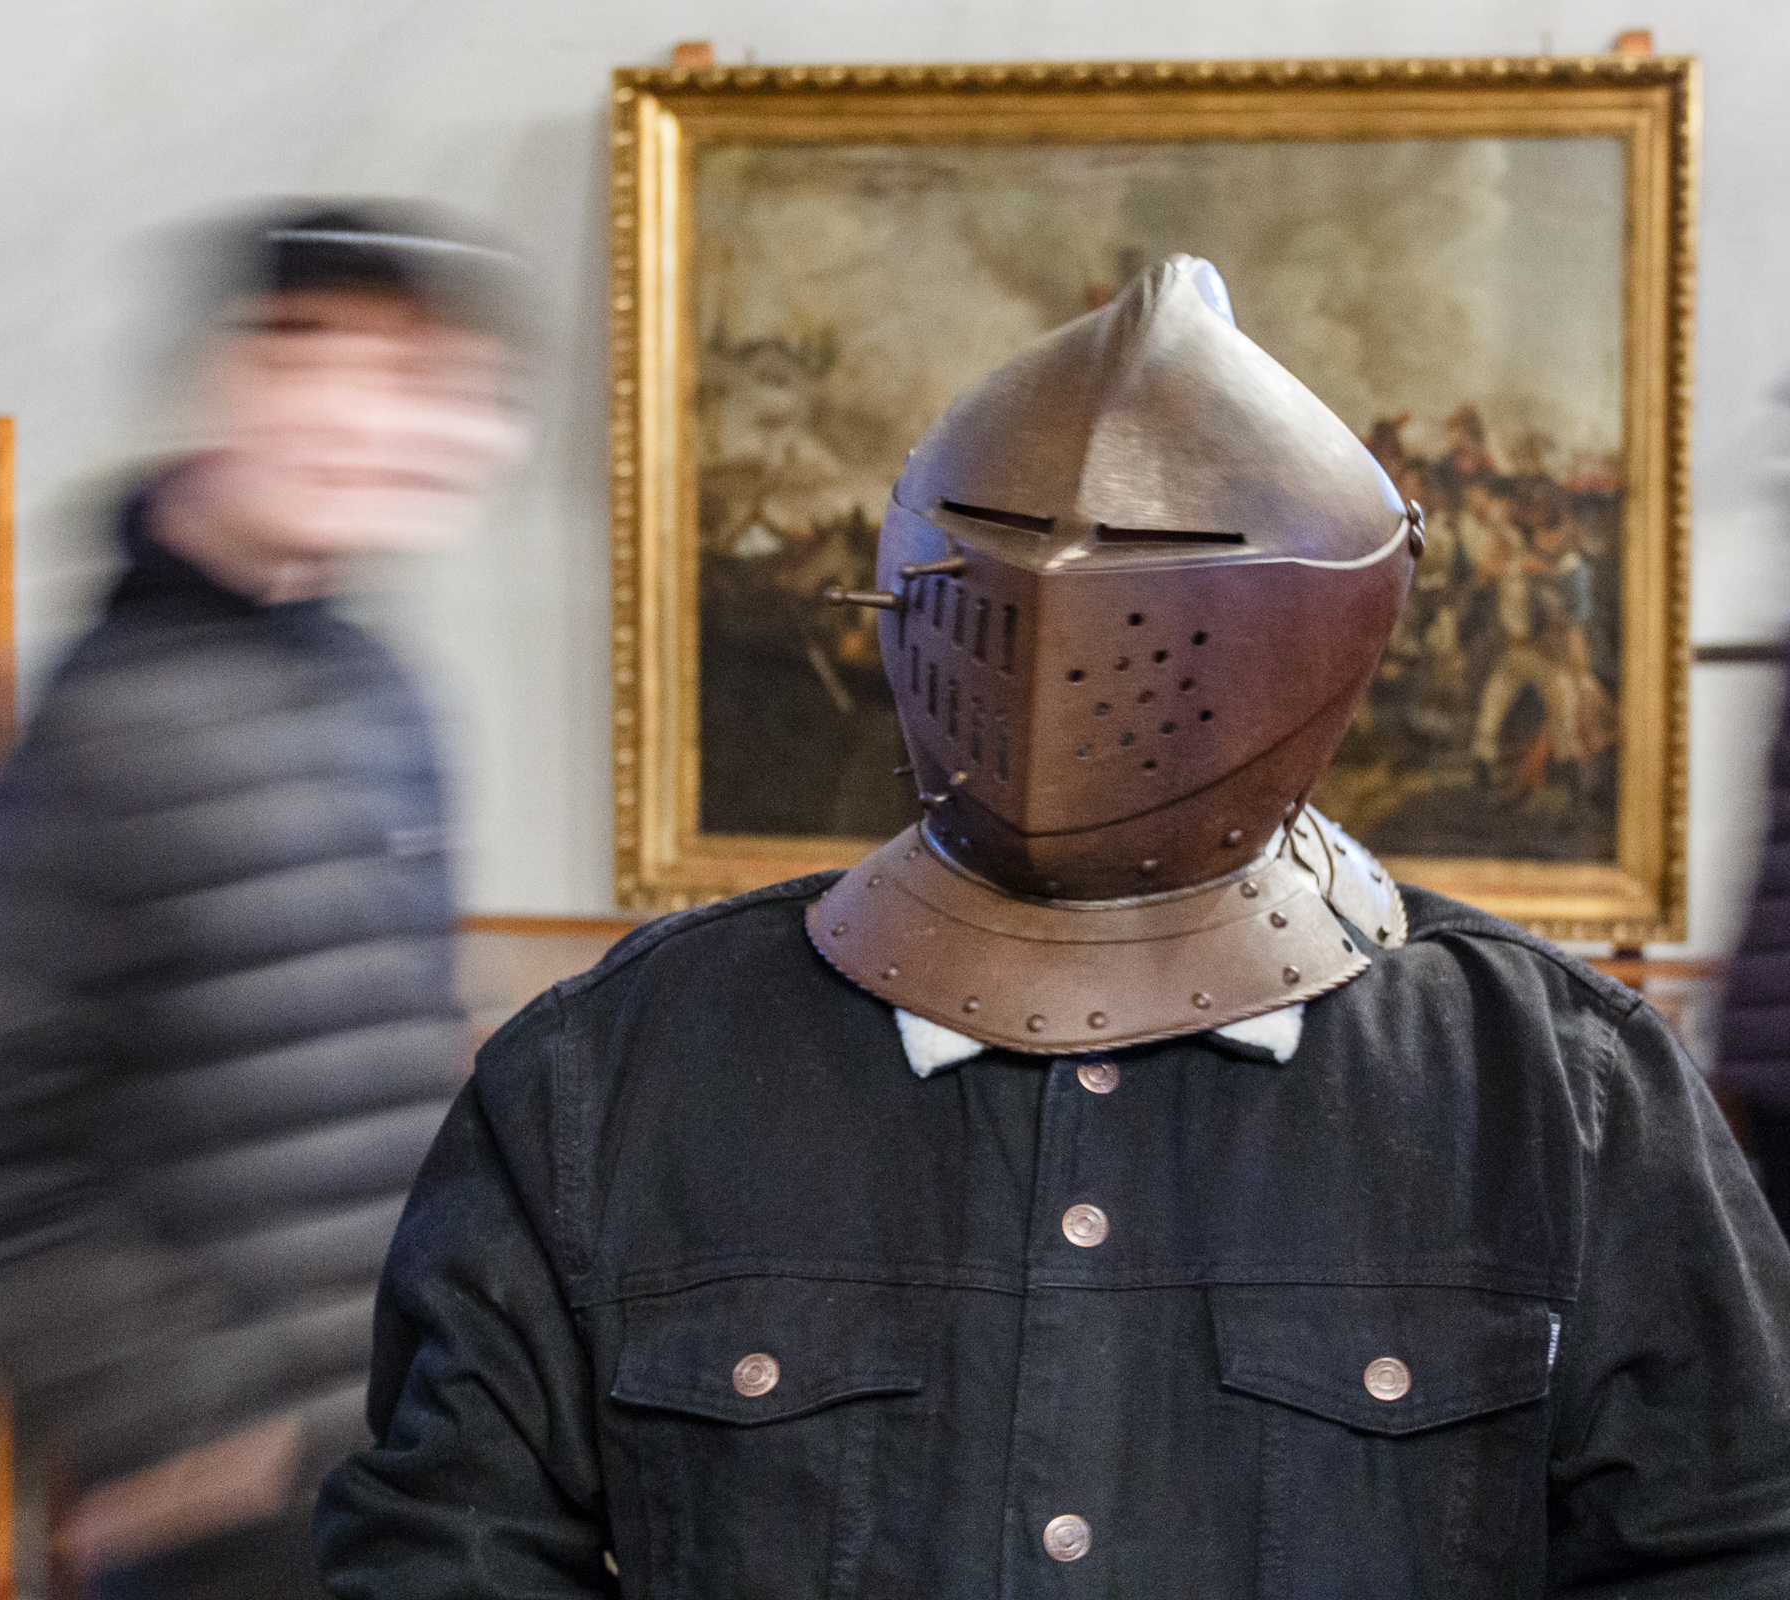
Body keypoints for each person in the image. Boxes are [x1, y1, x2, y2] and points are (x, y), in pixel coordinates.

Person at [317, 256, 1790, 1595]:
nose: (1072, 636)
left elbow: (1723, 1544)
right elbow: (445, 1547)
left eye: (1154, 574)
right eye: (1013, 546)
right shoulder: (615, 1071)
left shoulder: (1558, 1092)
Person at [0, 201, 533, 1597]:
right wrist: (196, 1427)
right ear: (228, 383)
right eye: (315, 354)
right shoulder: (112, 724)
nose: (378, 417)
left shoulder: (381, 694)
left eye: (428, 378)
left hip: (404, 1466)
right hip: (232, 1525)